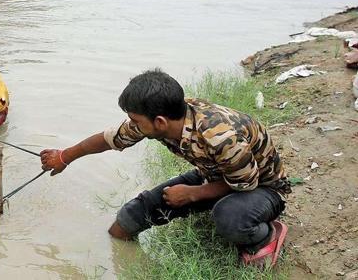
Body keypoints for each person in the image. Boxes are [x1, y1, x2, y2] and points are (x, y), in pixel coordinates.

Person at [40, 69, 290, 267]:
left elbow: (245, 184)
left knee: (229, 217)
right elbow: (108, 139)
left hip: (261, 188)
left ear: (159, 122)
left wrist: (192, 194)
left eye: (135, 120)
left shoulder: (221, 136)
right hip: (213, 175)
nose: (132, 124)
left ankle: (265, 236)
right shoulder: (163, 118)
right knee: (128, 220)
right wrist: (64, 156)